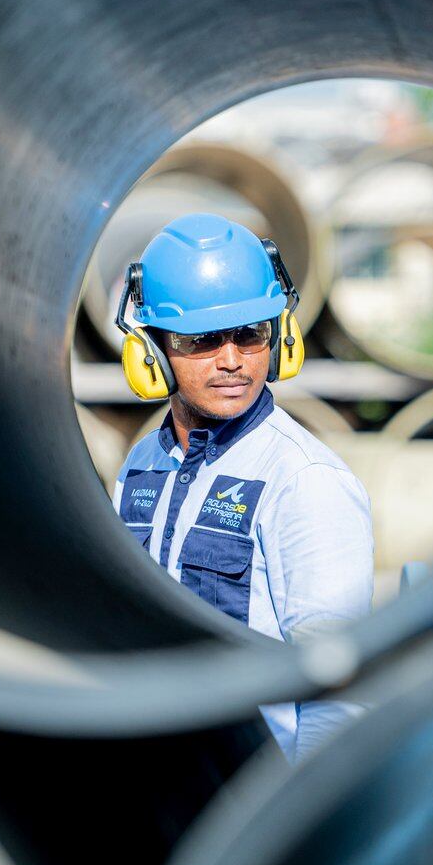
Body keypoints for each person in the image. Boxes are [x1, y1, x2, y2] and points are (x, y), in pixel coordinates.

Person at [110, 211, 373, 759]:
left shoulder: (304, 480)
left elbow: (337, 689)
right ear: (153, 350)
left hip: (251, 792)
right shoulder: (141, 465)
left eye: (251, 334)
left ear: (280, 338)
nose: (232, 361)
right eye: (203, 340)